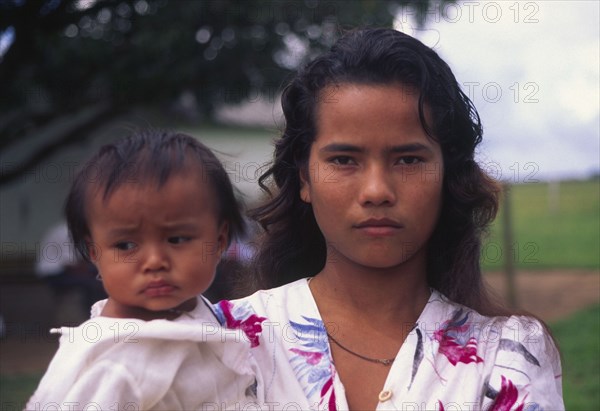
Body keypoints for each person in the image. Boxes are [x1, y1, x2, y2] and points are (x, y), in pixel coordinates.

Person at [214, 28, 564, 410]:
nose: (377, 190)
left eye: (409, 160)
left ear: (447, 174)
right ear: (305, 178)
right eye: (344, 160)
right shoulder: (224, 341)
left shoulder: (508, 356)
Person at [27, 130, 263, 410]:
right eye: (126, 245)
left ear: (220, 241)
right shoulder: (114, 366)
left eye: (177, 239)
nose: (154, 261)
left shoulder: (202, 317)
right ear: (94, 253)